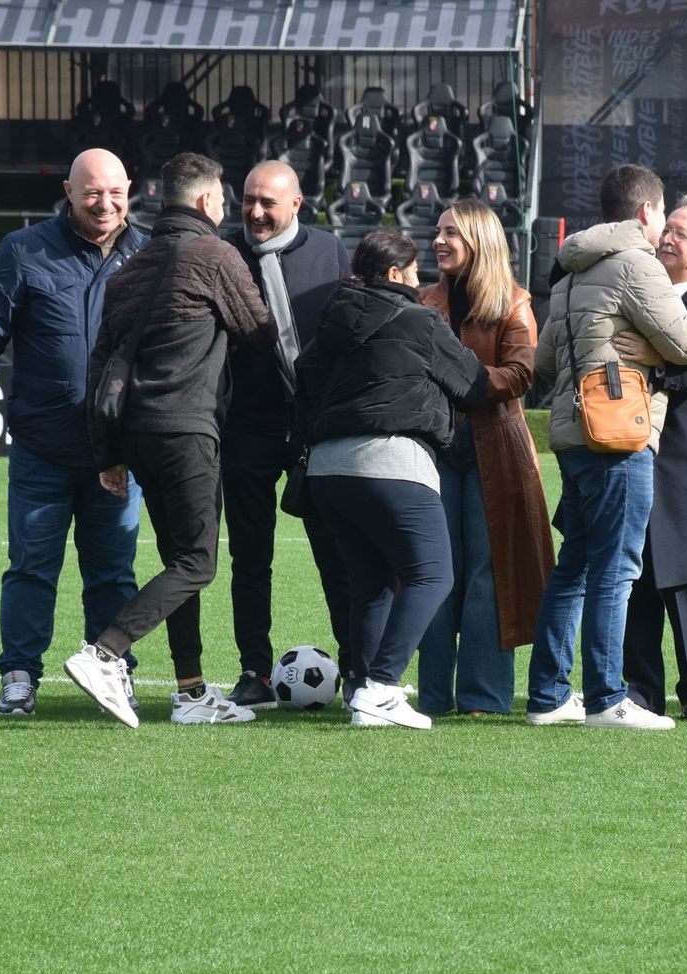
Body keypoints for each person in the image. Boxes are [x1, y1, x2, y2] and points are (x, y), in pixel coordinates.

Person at [65, 152, 277, 728]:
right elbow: (260, 334)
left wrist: (107, 452)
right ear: (209, 201)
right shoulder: (214, 254)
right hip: (187, 428)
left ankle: (190, 692)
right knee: (199, 562)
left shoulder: (130, 267)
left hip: (136, 436)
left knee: (178, 557)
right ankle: (104, 652)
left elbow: (100, 366)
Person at [525, 164, 687, 731]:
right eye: (664, 217)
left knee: (574, 566)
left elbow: (544, 362)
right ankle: (606, 697)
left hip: (572, 432)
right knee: (617, 572)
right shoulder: (634, 265)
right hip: (618, 433)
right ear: (646, 213)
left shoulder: (573, 270)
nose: (666, 233)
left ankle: (548, 696)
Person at [0, 147, 146, 719]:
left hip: (120, 450)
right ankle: (19, 675)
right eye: (91, 192)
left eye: (114, 191)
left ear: (130, 188)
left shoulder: (151, 254)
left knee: (113, 572)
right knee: (32, 566)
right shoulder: (23, 250)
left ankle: (114, 673)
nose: (104, 203)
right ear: (68, 190)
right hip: (43, 447)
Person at [297, 229, 490, 729]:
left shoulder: (331, 319)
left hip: (325, 470)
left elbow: (304, 378)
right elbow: (473, 385)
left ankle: (363, 690)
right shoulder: (419, 319)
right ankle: (382, 686)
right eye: (415, 271)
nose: (421, 280)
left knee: (371, 584)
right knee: (433, 574)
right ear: (394, 275)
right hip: (390, 463)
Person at [220, 159, 352, 711]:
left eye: (267, 203)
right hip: (246, 427)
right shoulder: (223, 253)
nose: (254, 211)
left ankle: (360, 665)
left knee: (336, 551)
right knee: (250, 556)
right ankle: (254, 670)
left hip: (317, 427)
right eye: (248, 199)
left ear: (296, 204)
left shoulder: (331, 251)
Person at [416, 199, 553, 717]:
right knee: (435, 571)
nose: (439, 240)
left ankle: (483, 697)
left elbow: (521, 374)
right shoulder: (424, 301)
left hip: (493, 448)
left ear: (479, 240)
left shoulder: (514, 302)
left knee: (484, 573)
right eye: (438, 231)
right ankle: (431, 696)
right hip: (435, 450)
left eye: (451, 232)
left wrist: (461, 379)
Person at [613, 194, 687, 722]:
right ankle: (641, 688)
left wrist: (656, 364)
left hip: (682, 455)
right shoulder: (639, 283)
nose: (669, 238)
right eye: (669, 229)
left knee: (686, 573)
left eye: (683, 233)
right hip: (626, 444)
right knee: (635, 573)